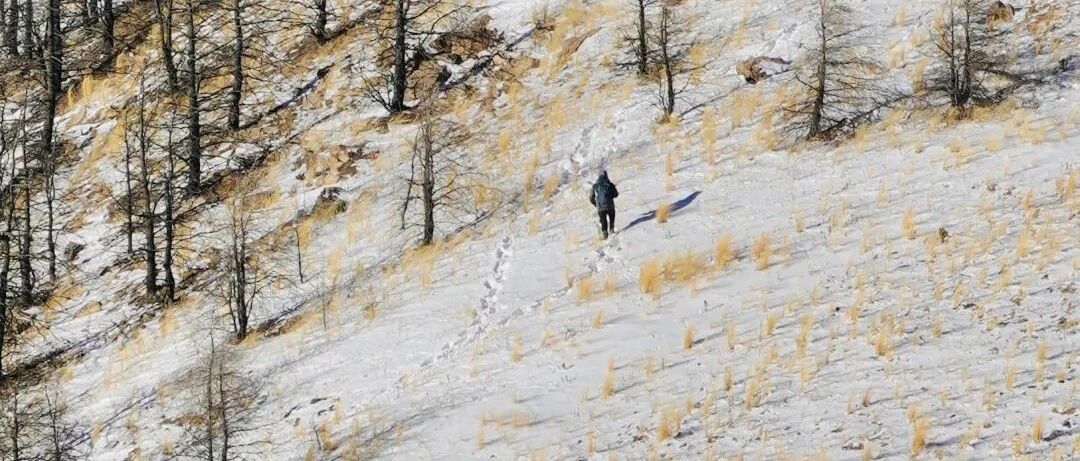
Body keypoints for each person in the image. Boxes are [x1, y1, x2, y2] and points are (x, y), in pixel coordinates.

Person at [589, 170, 619, 239]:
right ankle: (611, 229)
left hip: (600, 207)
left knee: (603, 221)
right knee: (612, 217)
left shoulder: (595, 186)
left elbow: (591, 198)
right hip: (610, 206)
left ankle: (605, 233)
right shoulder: (610, 184)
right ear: (606, 175)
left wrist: (596, 204)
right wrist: (610, 196)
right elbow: (616, 194)